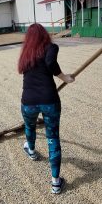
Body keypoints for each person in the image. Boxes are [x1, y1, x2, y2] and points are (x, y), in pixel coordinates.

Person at [18, 23, 75, 194]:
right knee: (52, 137)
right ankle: (56, 182)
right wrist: (65, 78)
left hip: (28, 101)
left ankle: (32, 150)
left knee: (30, 126)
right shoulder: (51, 47)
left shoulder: (26, 52)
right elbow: (50, 62)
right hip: (49, 100)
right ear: (44, 34)